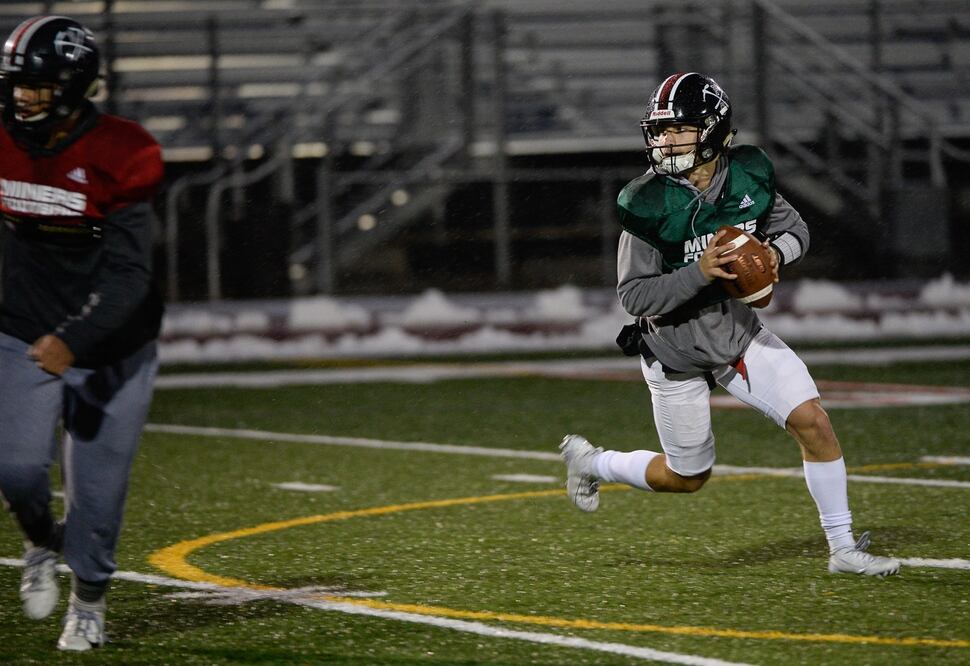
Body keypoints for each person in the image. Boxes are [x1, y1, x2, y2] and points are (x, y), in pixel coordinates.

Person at [559, 72, 900, 577]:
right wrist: (699, 273)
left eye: (679, 129)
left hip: (736, 335)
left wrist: (771, 256)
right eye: (659, 130)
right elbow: (633, 295)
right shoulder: (649, 203)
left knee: (814, 422)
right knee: (688, 476)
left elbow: (795, 230)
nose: (665, 141)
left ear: (715, 131)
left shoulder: (747, 177)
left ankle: (843, 548)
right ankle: (594, 463)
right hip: (673, 351)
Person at [0, 15, 164, 649]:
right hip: (22, 328)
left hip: (114, 342)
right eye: (15, 84)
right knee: (14, 471)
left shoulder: (123, 150)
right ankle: (41, 543)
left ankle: (89, 599)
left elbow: (130, 274)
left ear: (72, 86)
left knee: (97, 493)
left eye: (35, 87)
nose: (21, 97)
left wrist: (76, 336)